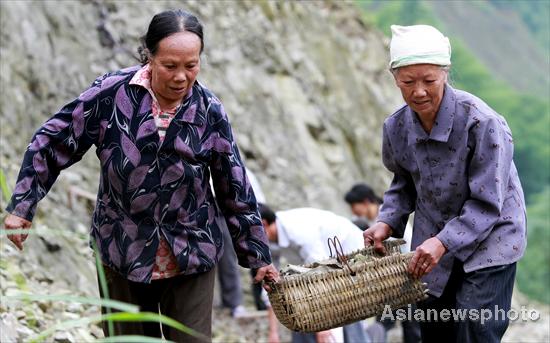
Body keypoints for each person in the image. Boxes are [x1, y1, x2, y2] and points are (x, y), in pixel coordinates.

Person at [3, 9, 278, 341]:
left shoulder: (209, 111)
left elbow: (234, 185)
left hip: (190, 252)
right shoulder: (111, 94)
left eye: (191, 66)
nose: (181, 77)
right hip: (122, 249)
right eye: (170, 66)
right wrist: (22, 205)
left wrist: (258, 256)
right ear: (149, 56)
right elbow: (54, 140)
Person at [363, 24, 527, 343]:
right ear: (395, 78)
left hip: (492, 239)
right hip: (433, 240)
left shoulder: (482, 123)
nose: (419, 91)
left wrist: (443, 242)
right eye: (408, 82)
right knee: (435, 327)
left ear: (445, 74)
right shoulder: (397, 127)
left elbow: (487, 203)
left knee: (474, 327)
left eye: (429, 81)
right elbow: (404, 182)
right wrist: (387, 221)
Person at [259, 204, 370, 343]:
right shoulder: (268, 242)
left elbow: (321, 275)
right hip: (323, 271)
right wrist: (273, 333)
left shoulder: (298, 230)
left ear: (263, 224)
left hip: (350, 259)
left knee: (342, 323)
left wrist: (323, 326)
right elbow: (270, 286)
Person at [345, 183, 421, 343]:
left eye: (354, 206)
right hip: (390, 281)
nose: (353, 211)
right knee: (385, 322)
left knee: (411, 325)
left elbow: (404, 246)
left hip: (407, 276)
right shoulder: (373, 220)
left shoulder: (387, 218)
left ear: (366, 202)